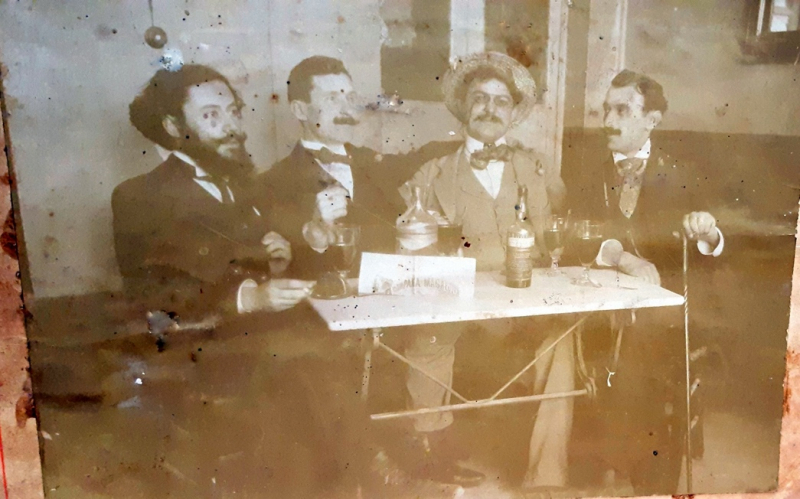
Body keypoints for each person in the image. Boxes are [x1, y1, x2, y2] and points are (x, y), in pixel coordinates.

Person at [258, 55, 490, 488]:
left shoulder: (374, 163)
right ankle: (374, 467)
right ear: (300, 111)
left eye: (350, 94)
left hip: (387, 308)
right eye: (331, 97)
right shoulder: (272, 181)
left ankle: (424, 457)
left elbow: (428, 158)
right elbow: (275, 263)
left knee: (443, 327)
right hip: (321, 322)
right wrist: (313, 232)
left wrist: (475, 131)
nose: (348, 105)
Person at [112, 64, 315, 497]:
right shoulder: (139, 196)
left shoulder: (245, 187)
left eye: (234, 112)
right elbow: (152, 292)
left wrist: (276, 263)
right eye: (211, 116)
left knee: (325, 357)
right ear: (172, 126)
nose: (232, 128)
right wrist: (249, 298)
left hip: (260, 336)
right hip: (194, 346)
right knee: (307, 373)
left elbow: (241, 260)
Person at [400, 51, 570, 493]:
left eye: (500, 100)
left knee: (562, 336)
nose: (490, 108)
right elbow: (415, 251)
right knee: (429, 333)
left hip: (526, 292)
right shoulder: (431, 174)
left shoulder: (534, 170)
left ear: (513, 114)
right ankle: (433, 457)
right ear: (463, 107)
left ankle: (545, 475)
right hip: (463, 300)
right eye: (480, 98)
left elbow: (552, 241)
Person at [565, 69, 724, 495]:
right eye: (606, 109)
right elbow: (572, 236)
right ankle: (603, 466)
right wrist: (620, 255)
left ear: (651, 119)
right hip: (600, 300)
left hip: (664, 309)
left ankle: (648, 478)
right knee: (603, 352)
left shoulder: (684, 172)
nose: (608, 120)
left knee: (649, 357)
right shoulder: (585, 168)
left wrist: (707, 230)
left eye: (622, 109)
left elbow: (711, 246)